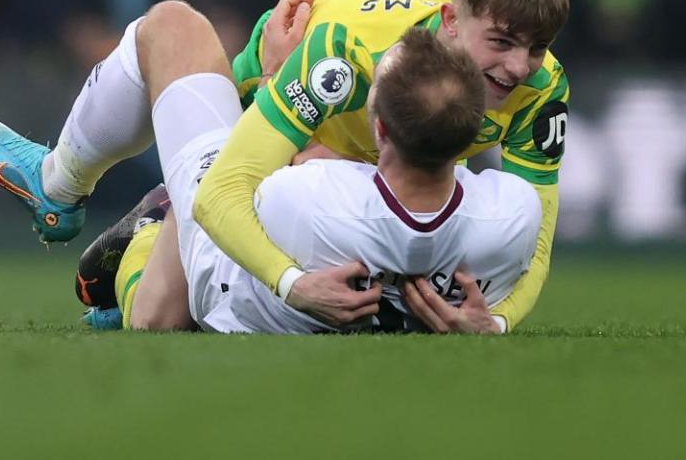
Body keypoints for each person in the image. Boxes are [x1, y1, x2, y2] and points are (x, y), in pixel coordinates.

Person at [0, 0, 569, 333]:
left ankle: (150, 233)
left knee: (165, 315)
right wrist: (269, 86)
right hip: (276, 100)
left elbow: (535, 242)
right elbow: (230, 188)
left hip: (355, 178)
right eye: (502, 42)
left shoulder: (542, 90)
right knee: (176, 30)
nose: (519, 67)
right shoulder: (343, 52)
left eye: (537, 48)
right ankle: (64, 185)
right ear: (449, 23)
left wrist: (494, 323)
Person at [85, 27, 540, 333]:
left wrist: (274, 76)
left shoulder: (307, 195)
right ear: (471, 137)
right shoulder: (513, 216)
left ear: (379, 130)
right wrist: (494, 325)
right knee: (156, 315)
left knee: (175, 29)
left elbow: (228, 192)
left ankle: (76, 190)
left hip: (229, 290)